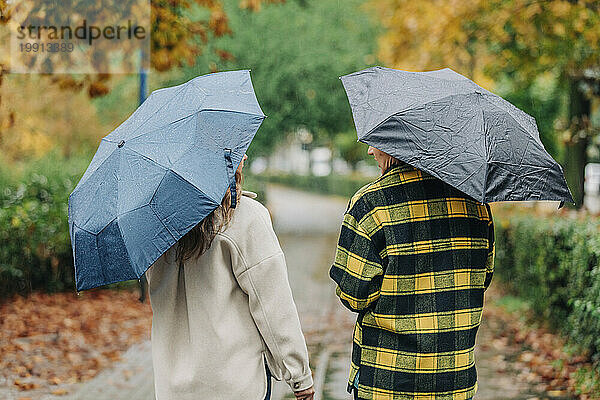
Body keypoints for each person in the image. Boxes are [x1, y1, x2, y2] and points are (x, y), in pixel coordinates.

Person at [330, 146, 495, 400]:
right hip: (455, 378)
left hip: (388, 380)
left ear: (397, 144)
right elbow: (483, 277)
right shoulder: (476, 204)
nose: (370, 151)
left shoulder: (371, 204)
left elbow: (354, 295)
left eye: (377, 143)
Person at [146, 154, 315, 400]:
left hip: (172, 389)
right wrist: (299, 376)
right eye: (233, 150)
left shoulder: (156, 225)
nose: (244, 155)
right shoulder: (243, 218)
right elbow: (273, 308)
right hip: (234, 386)